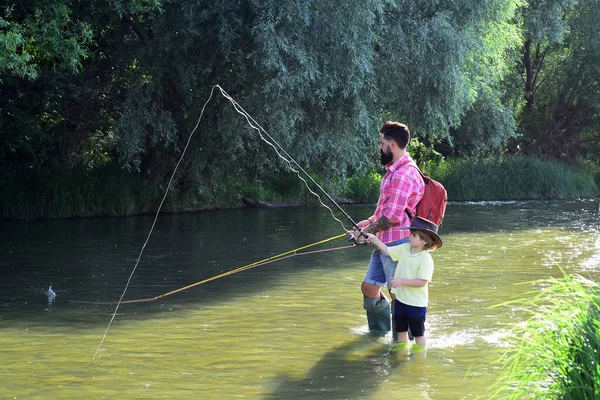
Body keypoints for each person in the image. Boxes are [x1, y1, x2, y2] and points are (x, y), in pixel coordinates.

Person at [350, 121, 425, 335]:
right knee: (369, 287)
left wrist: (367, 232)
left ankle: (406, 340)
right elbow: (384, 210)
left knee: (398, 294)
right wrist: (366, 224)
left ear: (392, 145)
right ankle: (379, 334)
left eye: (381, 143)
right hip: (383, 241)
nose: (379, 147)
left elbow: (392, 216)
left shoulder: (403, 174)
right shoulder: (393, 171)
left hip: (398, 242)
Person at [364, 217, 442, 349]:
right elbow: (387, 251)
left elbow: (422, 282)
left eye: (414, 235)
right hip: (400, 300)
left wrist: (401, 282)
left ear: (424, 240)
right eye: (410, 233)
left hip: (416, 304)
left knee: (418, 334)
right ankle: (401, 353)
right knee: (401, 330)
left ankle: (420, 356)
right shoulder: (405, 248)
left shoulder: (426, 259)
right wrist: (374, 239)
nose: (409, 236)